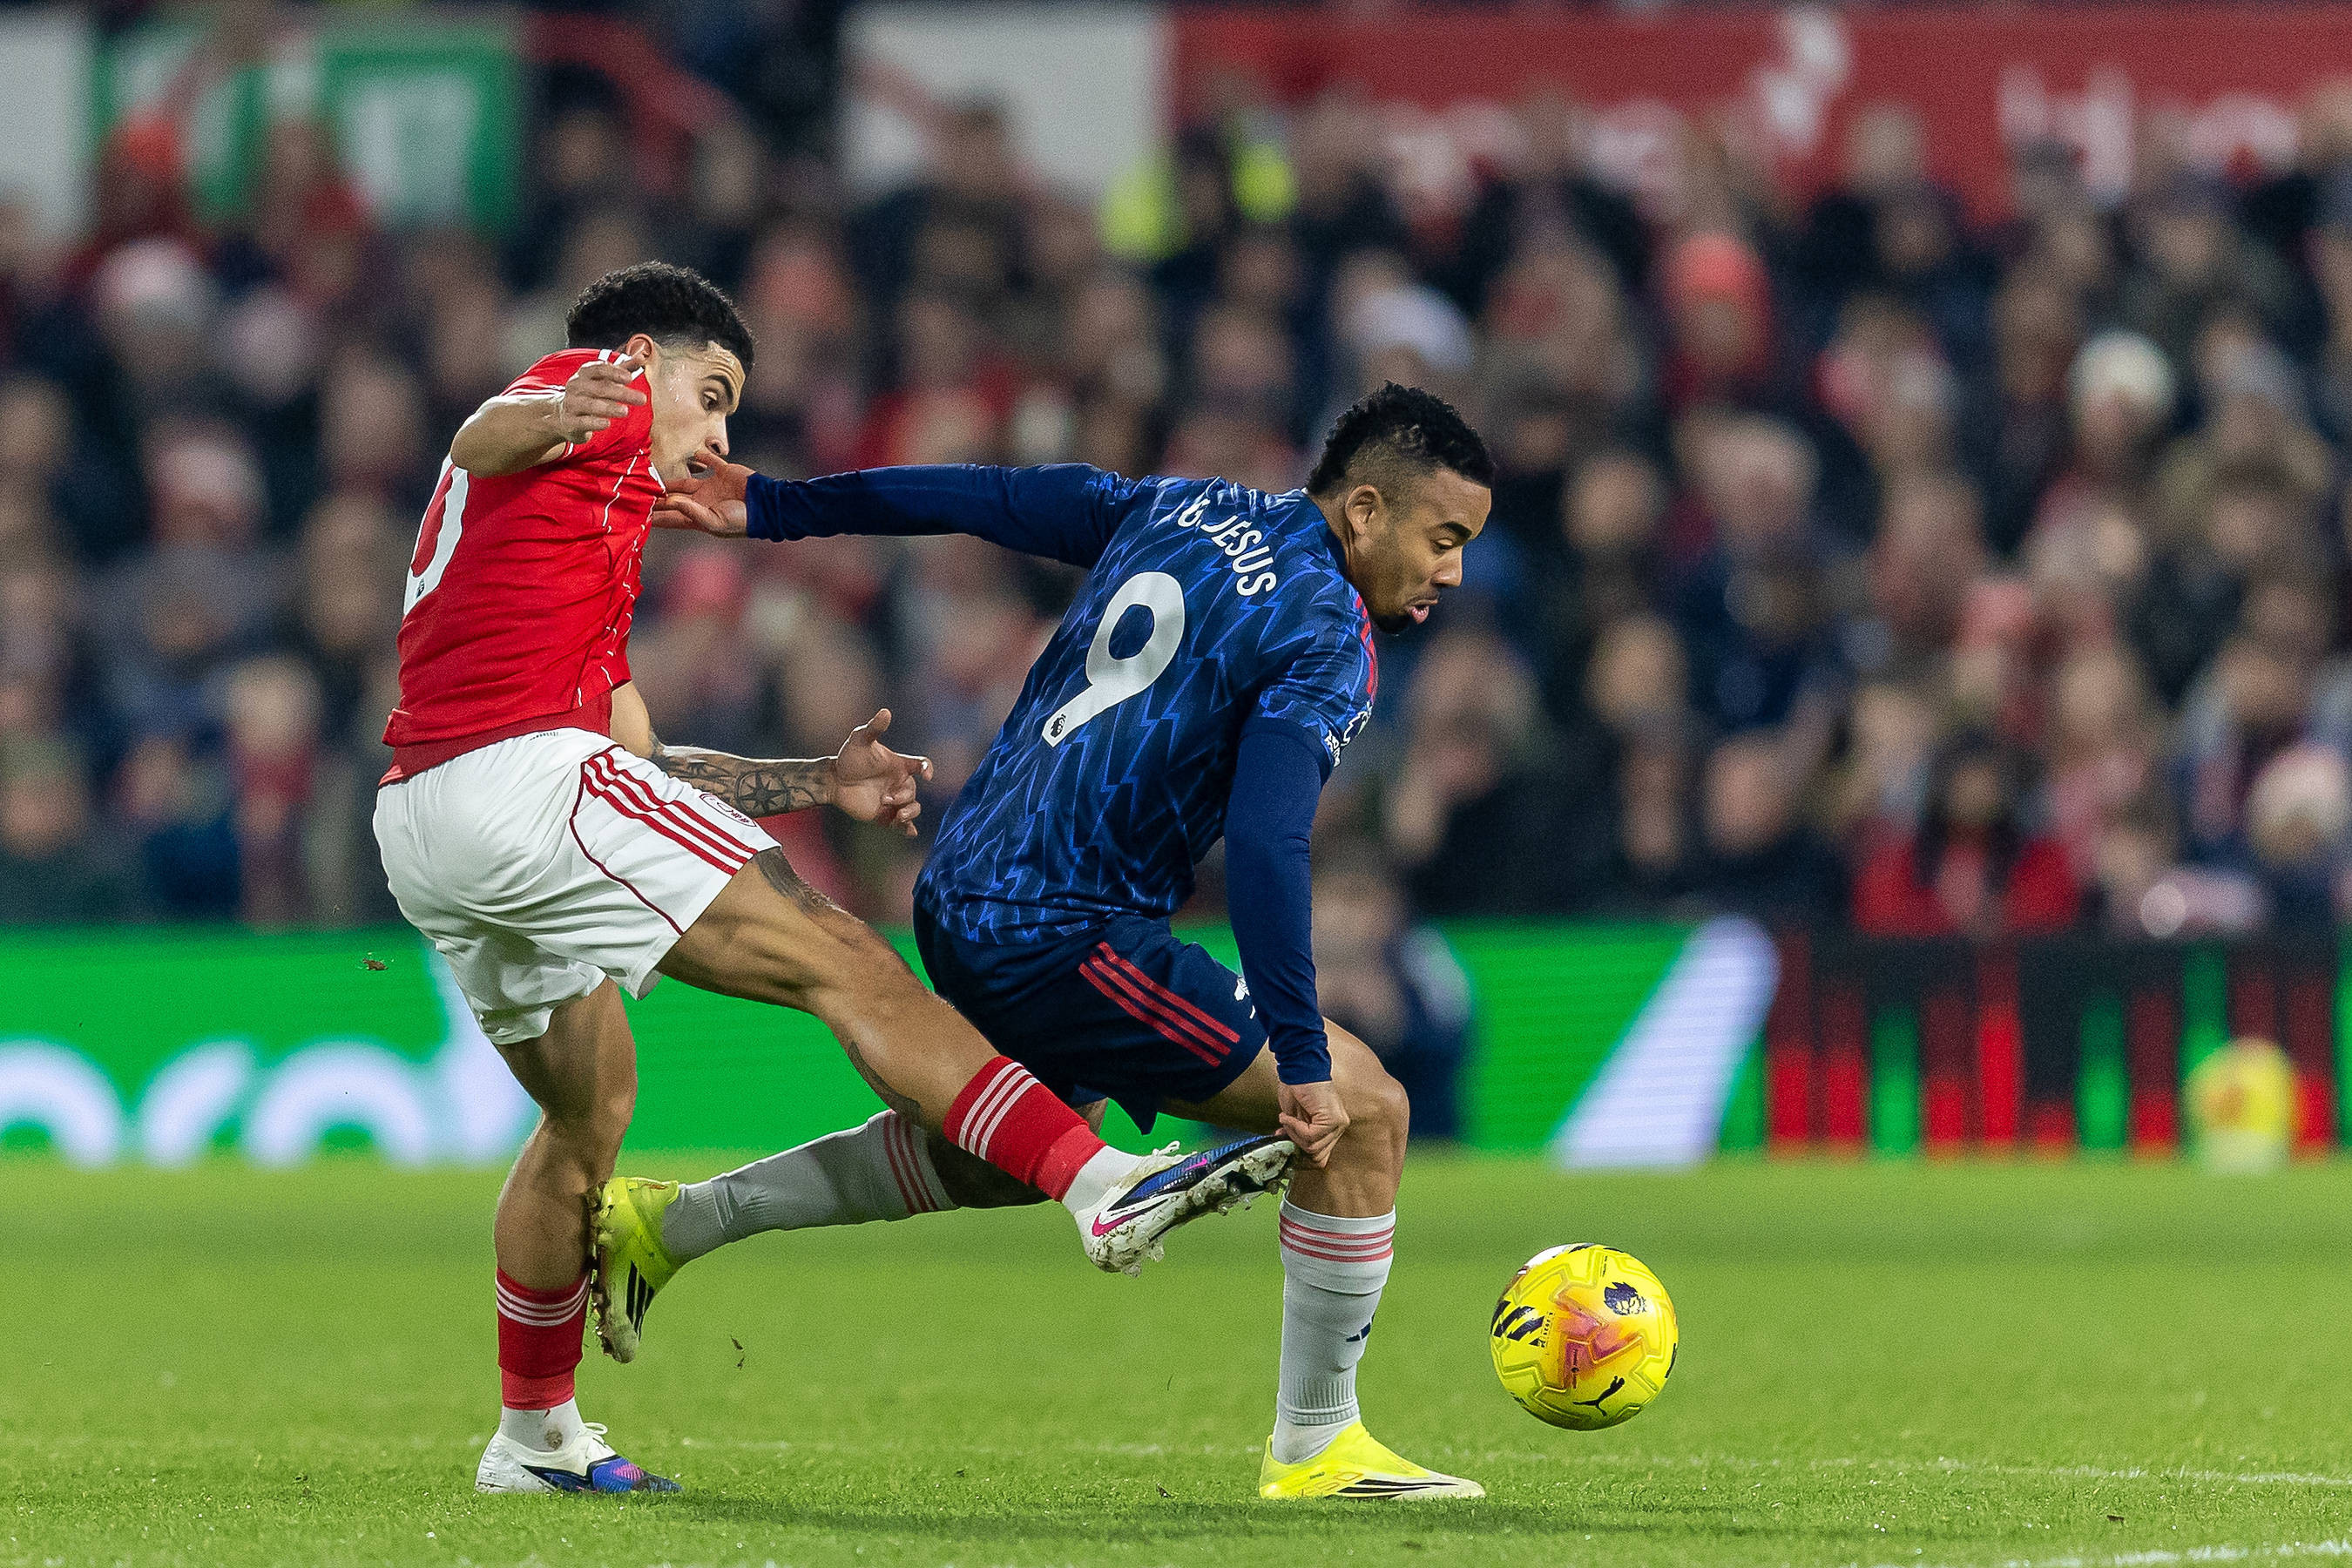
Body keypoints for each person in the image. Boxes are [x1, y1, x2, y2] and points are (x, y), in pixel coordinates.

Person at [372, 262, 1295, 1497]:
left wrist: (817, 780)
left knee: (588, 1112)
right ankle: (1103, 1183)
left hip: (430, 821)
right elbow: (488, 434)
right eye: (712, 394)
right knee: (843, 957)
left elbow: (638, 762)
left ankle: (532, 1439)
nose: (719, 433)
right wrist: (572, 404)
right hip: (521, 785)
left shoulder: (563, 555)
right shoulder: (579, 400)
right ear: (644, 359)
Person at [604, 382, 1495, 1500]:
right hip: (1063, 925)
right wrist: (1304, 1064)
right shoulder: (1327, 630)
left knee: (1002, 1156)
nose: (1452, 571)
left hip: (967, 883)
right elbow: (1270, 846)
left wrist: (779, 504)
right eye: (1443, 537)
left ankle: (671, 1226)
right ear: (1364, 510)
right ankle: (1319, 1443)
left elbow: (990, 497)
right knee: (1366, 1112)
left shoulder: (1184, 507)